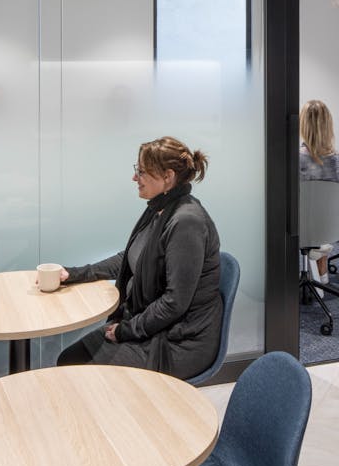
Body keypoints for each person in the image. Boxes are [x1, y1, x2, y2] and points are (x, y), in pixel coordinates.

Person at [57, 136, 222, 380]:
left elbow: (174, 302)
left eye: (142, 172)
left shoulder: (186, 222)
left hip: (180, 342)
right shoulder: (159, 210)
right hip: (150, 325)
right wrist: (75, 274)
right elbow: (130, 258)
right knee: (69, 360)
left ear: (168, 177)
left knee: (75, 372)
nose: (135, 178)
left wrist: (125, 331)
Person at [299, 100, 339, 284]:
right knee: (321, 210)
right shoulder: (338, 158)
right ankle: (322, 272)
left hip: (300, 225)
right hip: (330, 225)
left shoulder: (296, 158)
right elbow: (338, 195)